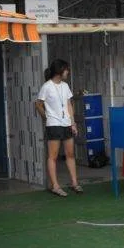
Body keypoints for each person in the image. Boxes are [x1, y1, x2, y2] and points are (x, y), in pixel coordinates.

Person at [36, 59, 81, 197]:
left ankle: (74, 183)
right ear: (59, 71)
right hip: (54, 124)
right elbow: (38, 104)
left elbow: (69, 104)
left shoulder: (65, 86)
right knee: (53, 156)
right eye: (66, 69)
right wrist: (47, 117)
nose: (68, 72)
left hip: (66, 123)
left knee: (70, 154)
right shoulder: (47, 86)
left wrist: (73, 123)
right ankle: (55, 185)